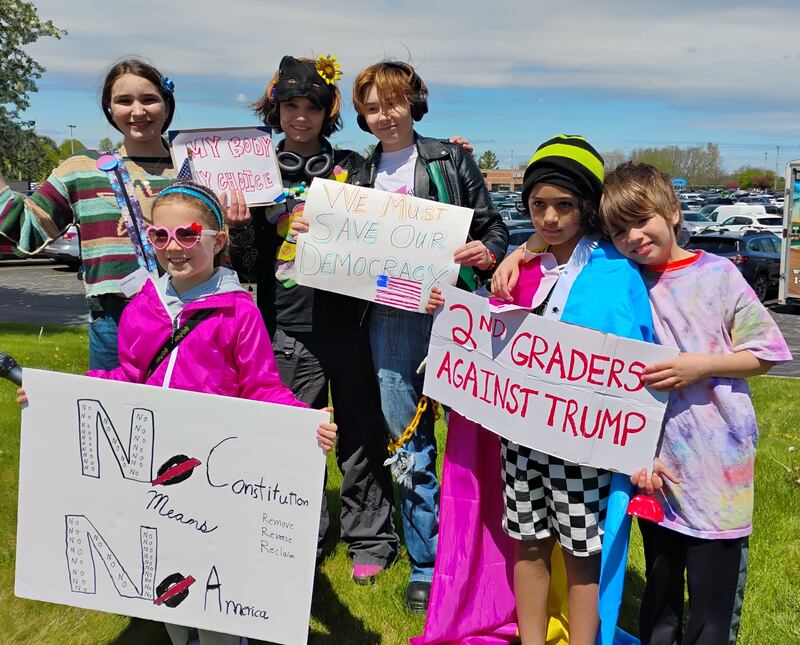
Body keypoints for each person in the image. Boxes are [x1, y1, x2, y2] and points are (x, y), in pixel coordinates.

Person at [19, 180, 338, 645]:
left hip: (213, 474)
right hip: (153, 469)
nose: (174, 247)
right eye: (160, 235)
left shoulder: (238, 312)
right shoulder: (142, 307)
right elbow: (128, 378)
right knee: (165, 579)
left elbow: (261, 386)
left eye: (188, 235)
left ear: (218, 240)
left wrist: (303, 422)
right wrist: (56, 394)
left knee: (213, 583)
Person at [420, 135, 655, 644]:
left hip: (583, 447)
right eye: (537, 205)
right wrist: (450, 311)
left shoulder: (617, 273)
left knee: (581, 553)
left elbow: (638, 354)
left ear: (586, 206)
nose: (549, 218)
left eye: (564, 205)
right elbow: (487, 334)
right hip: (520, 442)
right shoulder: (521, 270)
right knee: (528, 543)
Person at [600, 162, 792, 645]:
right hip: (657, 470)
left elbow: (766, 353)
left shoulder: (719, 275)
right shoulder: (624, 284)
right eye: (619, 230)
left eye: (642, 220)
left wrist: (701, 366)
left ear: (673, 211)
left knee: (711, 605)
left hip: (719, 469)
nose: (633, 237)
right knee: (660, 594)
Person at [227, 55, 398, 585]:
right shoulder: (253, 170)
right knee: (295, 435)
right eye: (291, 106)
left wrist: (450, 154)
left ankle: (369, 537)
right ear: (275, 110)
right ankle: (299, 532)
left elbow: (393, 219)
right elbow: (247, 265)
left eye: (312, 108)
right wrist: (240, 226)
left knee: (361, 434)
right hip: (286, 324)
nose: (301, 117)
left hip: (351, 322)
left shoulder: (355, 166)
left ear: (328, 113)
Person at [349, 60, 509, 613]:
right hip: (390, 318)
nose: (385, 115)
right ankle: (427, 559)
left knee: (473, 436)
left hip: (457, 313)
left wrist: (486, 252)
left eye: (393, 102)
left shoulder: (449, 158)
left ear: (413, 102)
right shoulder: (358, 175)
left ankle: (484, 547)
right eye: (372, 107)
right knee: (407, 442)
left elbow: (493, 227)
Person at [0, 58, 178, 370]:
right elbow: (29, 228)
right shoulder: (81, 169)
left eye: (149, 99)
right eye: (124, 101)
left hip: (191, 314)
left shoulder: (193, 166)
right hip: (113, 319)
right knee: (111, 401)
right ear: (109, 107)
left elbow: (227, 251)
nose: (138, 111)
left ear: (166, 103)